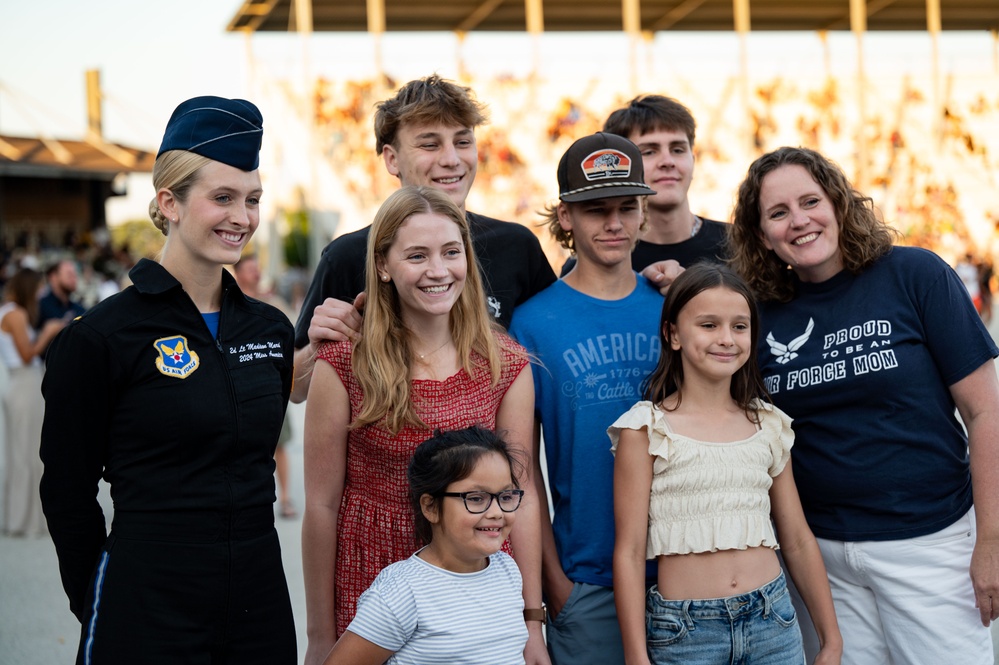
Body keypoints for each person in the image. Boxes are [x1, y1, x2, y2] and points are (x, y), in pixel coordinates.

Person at [38, 96, 297, 665]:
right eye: (222, 197)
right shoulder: (102, 337)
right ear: (169, 202)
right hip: (148, 601)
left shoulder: (271, 329)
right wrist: (102, 597)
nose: (242, 217)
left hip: (258, 603)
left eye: (252, 199)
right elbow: (67, 491)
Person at [729, 146, 999, 664]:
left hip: (927, 542)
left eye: (811, 201)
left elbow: (985, 413)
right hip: (821, 557)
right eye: (778, 213)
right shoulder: (759, 314)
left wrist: (990, 538)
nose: (799, 221)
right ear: (762, 235)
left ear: (839, 203)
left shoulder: (914, 274)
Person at [301, 185, 546, 665]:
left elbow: (525, 492)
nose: (438, 270)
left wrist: (531, 621)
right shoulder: (345, 365)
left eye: (451, 252)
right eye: (417, 255)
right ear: (384, 266)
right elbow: (321, 505)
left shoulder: (505, 364)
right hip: (371, 565)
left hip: (474, 574)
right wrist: (317, 635)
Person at [609, 263, 842, 665]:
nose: (726, 339)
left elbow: (798, 538)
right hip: (686, 633)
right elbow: (628, 552)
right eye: (709, 325)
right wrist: (635, 655)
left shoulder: (767, 423)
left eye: (739, 326)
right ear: (673, 335)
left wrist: (831, 639)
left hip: (773, 621)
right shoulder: (646, 429)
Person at [290, 74, 555, 402]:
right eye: (430, 144)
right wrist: (317, 350)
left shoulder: (517, 246)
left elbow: (557, 347)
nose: (451, 159)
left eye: (462, 141)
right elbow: (295, 390)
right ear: (391, 158)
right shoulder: (347, 255)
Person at [508, 132, 663, 665]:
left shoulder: (675, 308)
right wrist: (554, 586)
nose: (614, 223)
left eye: (627, 207)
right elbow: (521, 472)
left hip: (687, 573)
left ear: (645, 213)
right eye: (596, 210)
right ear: (566, 217)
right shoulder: (532, 323)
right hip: (587, 581)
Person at [324, 426, 530, 665]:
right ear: (431, 507)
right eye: (476, 498)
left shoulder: (508, 570)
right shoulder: (402, 592)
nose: (496, 512)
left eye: (505, 497)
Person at [560, 95, 727, 283]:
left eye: (678, 150)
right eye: (649, 152)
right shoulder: (597, 259)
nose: (667, 162)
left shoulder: (737, 245)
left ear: (693, 160)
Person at [0, 268, 65, 536]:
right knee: (27, 454)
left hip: (21, 383)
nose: (41, 292)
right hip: (25, 382)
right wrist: (48, 332)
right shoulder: (16, 314)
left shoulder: (9, 311)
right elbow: (28, 354)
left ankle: (19, 518)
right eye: (38, 287)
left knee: (22, 453)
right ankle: (24, 521)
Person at [233, 253, 297, 519]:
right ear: (237, 273)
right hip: (239, 389)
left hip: (271, 388)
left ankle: (285, 498)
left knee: (279, 445)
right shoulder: (227, 304)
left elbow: (293, 335)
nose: (256, 273)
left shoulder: (273, 302)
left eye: (256, 268)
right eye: (249, 269)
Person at [37, 259, 86, 330]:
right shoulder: (39, 307)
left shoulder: (79, 308)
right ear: (53, 277)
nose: (74, 279)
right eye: (69, 274)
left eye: (75, 275)